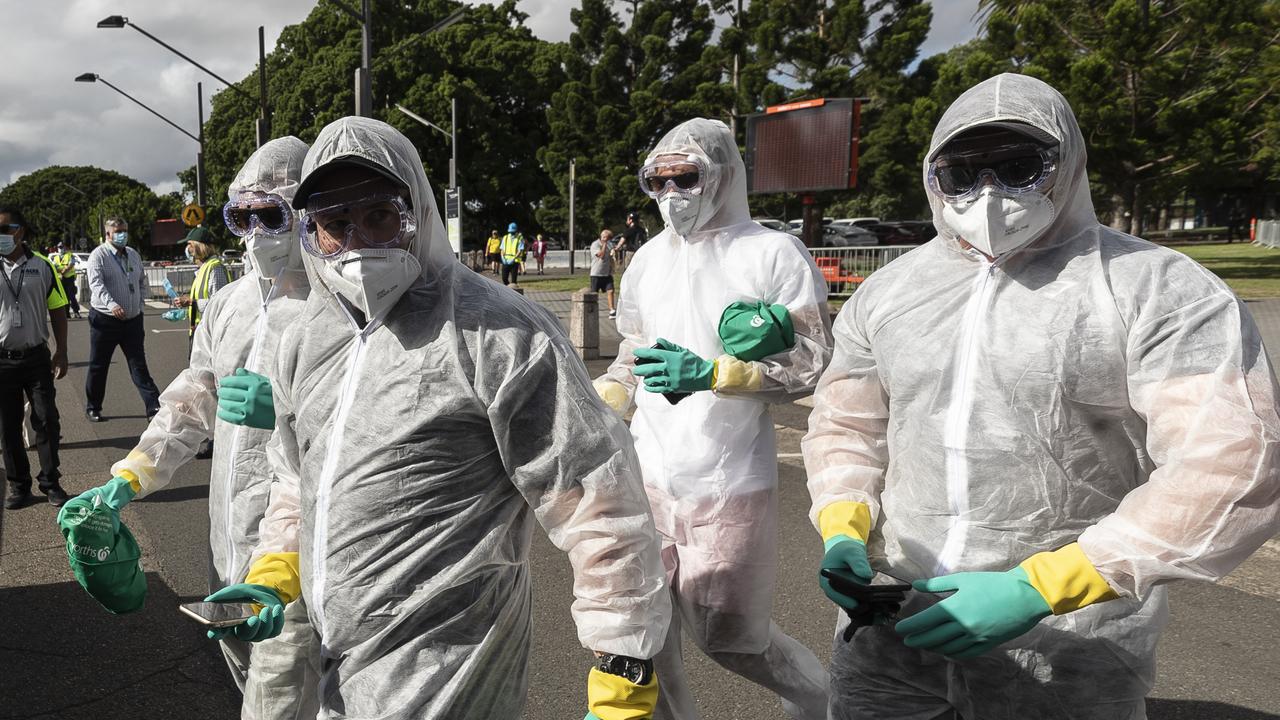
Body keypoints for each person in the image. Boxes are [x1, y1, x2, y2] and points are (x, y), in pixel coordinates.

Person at [802, 73, 1280, 720]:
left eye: (1019, 166)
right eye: (963, 173)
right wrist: (842, 530)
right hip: (891, 621)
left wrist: (1042, 586)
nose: (989, 193)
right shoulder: (889, 293)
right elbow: (846, 427)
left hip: (1070, 640)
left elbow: (1231, 467)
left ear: (1069, 163)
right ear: (932, 177)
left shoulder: (1159, 291)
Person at [203, 117, 670, 720]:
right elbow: (296, 483)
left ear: (417, 211)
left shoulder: (497, 333)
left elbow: (598, 500)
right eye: (334, 224)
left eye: (379, 216)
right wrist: (274, 572)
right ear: (309, 230)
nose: (357, 244)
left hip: (455, 661)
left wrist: (623, 664)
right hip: (343, 662)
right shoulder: (306, 339)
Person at [68, 137, 321, 719]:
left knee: (282, 701)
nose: (257, 231)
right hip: (227, 536)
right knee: (243, 677)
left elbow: (356, 439)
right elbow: (191, 400)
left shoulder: (335, 312)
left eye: (271, 213)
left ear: (304, 211)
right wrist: (131, 476)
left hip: (299, 552)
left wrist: (286, 415)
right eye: (243, 217)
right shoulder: (229, 304)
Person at [593, 118, 835, 720]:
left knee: (733, 639)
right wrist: (605, 405)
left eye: (687, 178)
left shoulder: (772, 253)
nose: (673, 195)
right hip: (648, 471)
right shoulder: (648, 260)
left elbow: (810, 362)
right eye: (659, 182)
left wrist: (716, 375)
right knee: (647, 632)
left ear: (722, 174)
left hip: (728, 481)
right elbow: (632, 350)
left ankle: (827, 703)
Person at [1, 206, 69, 509]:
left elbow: (57, 308)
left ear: (20, 231)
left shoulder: (42, 265)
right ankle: (18, 486)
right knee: (8, 426)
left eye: (5, 229)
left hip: (37, 357)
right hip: (2, 361)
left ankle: (50, 482)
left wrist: (62, 351)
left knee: (46, 420)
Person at [83, 218, 161, 422]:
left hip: (133, 321)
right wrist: (112, 305)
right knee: (99, 365)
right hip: (105, 320)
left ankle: (153, 406)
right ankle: (94, 406)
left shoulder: (133, 254)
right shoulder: (98, 256)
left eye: (125, 230)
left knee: (139, 365)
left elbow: (142, 279)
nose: (122, 234)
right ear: (108, 234)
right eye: (118, 231)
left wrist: (141, 303)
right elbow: (96, 284)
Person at [175, 227, 230, 342]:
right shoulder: (203, 268)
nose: (187, 249)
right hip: (201, 330)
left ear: (198, 246)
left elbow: (219, 303)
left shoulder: (215, 267)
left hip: (211, 333)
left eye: (189, 244)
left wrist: (191, 301)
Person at [50, 240, 82, 318]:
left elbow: (71, 263)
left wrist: (64, 270)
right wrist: (61, 271)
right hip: (61, 279)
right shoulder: (56, 257)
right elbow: (54, 267)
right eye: (59, 247)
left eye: (61, 247)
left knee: (71, 296)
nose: (60, 249)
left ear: (64, 247)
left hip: (69, 278)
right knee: (64, 297)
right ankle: (66, 313)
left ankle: (76, 312)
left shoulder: (69, 255)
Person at [590, 229, 617, 319]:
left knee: (611, 290)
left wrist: (614, 252)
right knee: (594, 294)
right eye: (605, 237)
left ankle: (612, 310)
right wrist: (604, 244)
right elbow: (601, 255)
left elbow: (612, 255)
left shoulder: (610, 244)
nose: (607, 239)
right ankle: (592, 310)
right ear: (601, 236)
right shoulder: (595, 244)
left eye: (608, 238)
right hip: (596, 273)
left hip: (607, 273)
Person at [499, 221, 525, 286]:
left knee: (514, 281)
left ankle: (513, 292)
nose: (511, 233)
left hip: (514, 261)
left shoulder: (520, 238)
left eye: (513, 231)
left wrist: (514, 258)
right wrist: (502, 257)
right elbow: (502, 249)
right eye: (511, 231)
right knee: (504, 278)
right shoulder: (505, 237)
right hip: (506, 260)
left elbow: (520, 250)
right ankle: (509, 289)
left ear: (516, 231)